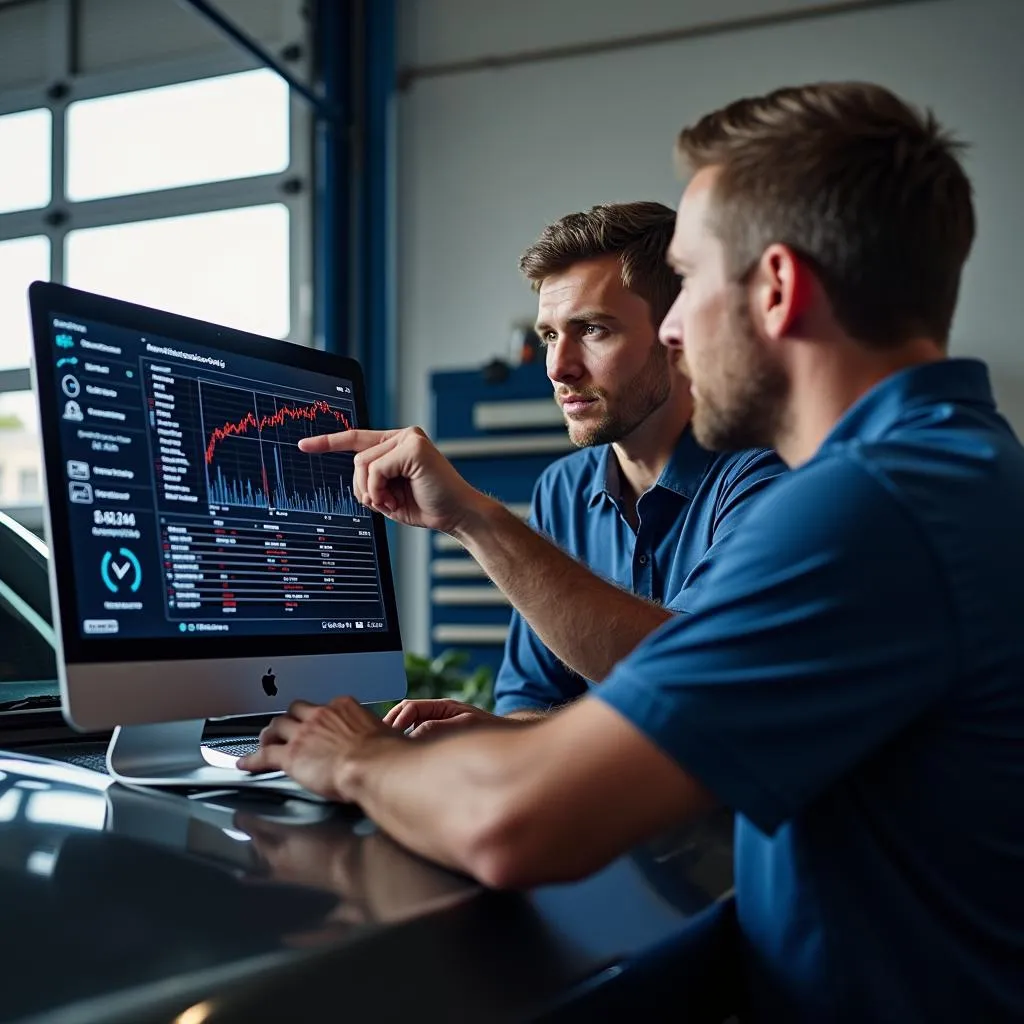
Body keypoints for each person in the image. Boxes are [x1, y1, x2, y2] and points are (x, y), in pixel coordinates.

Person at [240, 81, 1024, 1021]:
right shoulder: (953, 468)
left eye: (687, 281)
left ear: (776, 288)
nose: (680, 328)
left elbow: (516, 824)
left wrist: (353, 759)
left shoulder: (871, 510)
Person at [402, 202, 783, 736]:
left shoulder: (765, 479)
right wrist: (500, 734)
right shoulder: (562, 489)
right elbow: (528, 702)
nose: (558, 368)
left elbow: (697, 686)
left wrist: (474, 519)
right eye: (551, 336)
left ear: (676, 332)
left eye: (594, 330)